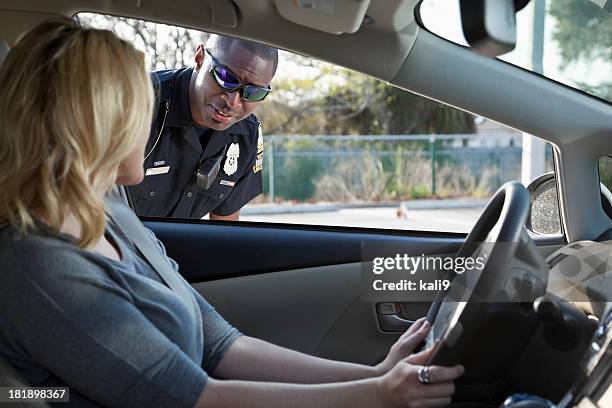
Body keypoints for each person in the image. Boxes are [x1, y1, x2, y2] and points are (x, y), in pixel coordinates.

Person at [0, 18, 463, 407]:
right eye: (140, 105)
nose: (152, 115)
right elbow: (198, 398)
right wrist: (377, 395)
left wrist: (373, 373)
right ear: (96, 124)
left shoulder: (108, 204)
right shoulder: (42, 265)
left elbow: (218, 340)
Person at [127, 33, 276, 221]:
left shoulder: (247, 135)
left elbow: (223, 232)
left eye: (253, 93)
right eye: (225, 78)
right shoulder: (135, 103)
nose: (233, 102)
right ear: (200, 58)